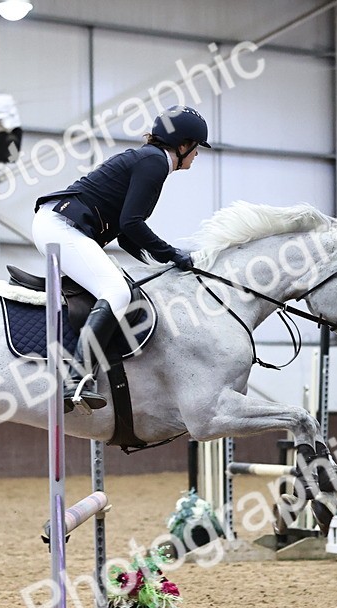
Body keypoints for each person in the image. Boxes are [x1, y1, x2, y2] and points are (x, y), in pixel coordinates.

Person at [32, 104, 210, 412]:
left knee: (120, 285)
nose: (197, 155)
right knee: (115, 292)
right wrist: (173, 254)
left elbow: (126, 235)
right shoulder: (155, 162)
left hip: (60, 225)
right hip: (60, 227)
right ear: (183, 146)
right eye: (196, 149)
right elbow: (132, 223)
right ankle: (75, 377)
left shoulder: (150, 160)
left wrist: (162, 264)